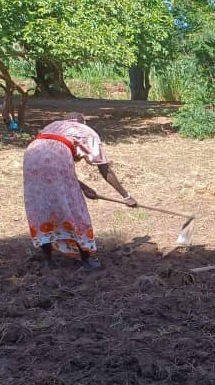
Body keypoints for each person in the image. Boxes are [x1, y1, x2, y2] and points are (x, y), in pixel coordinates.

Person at [23, 114, 135, 270]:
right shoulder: (87, 131)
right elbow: (104, 168)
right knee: (76, 208)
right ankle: (86, 259)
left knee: (42, 207)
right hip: (56, 157)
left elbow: (56, 170)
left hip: (31, 154)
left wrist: (84, 188)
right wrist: (126, 196)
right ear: (84, 122)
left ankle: (48, 261)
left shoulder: (55, 126)